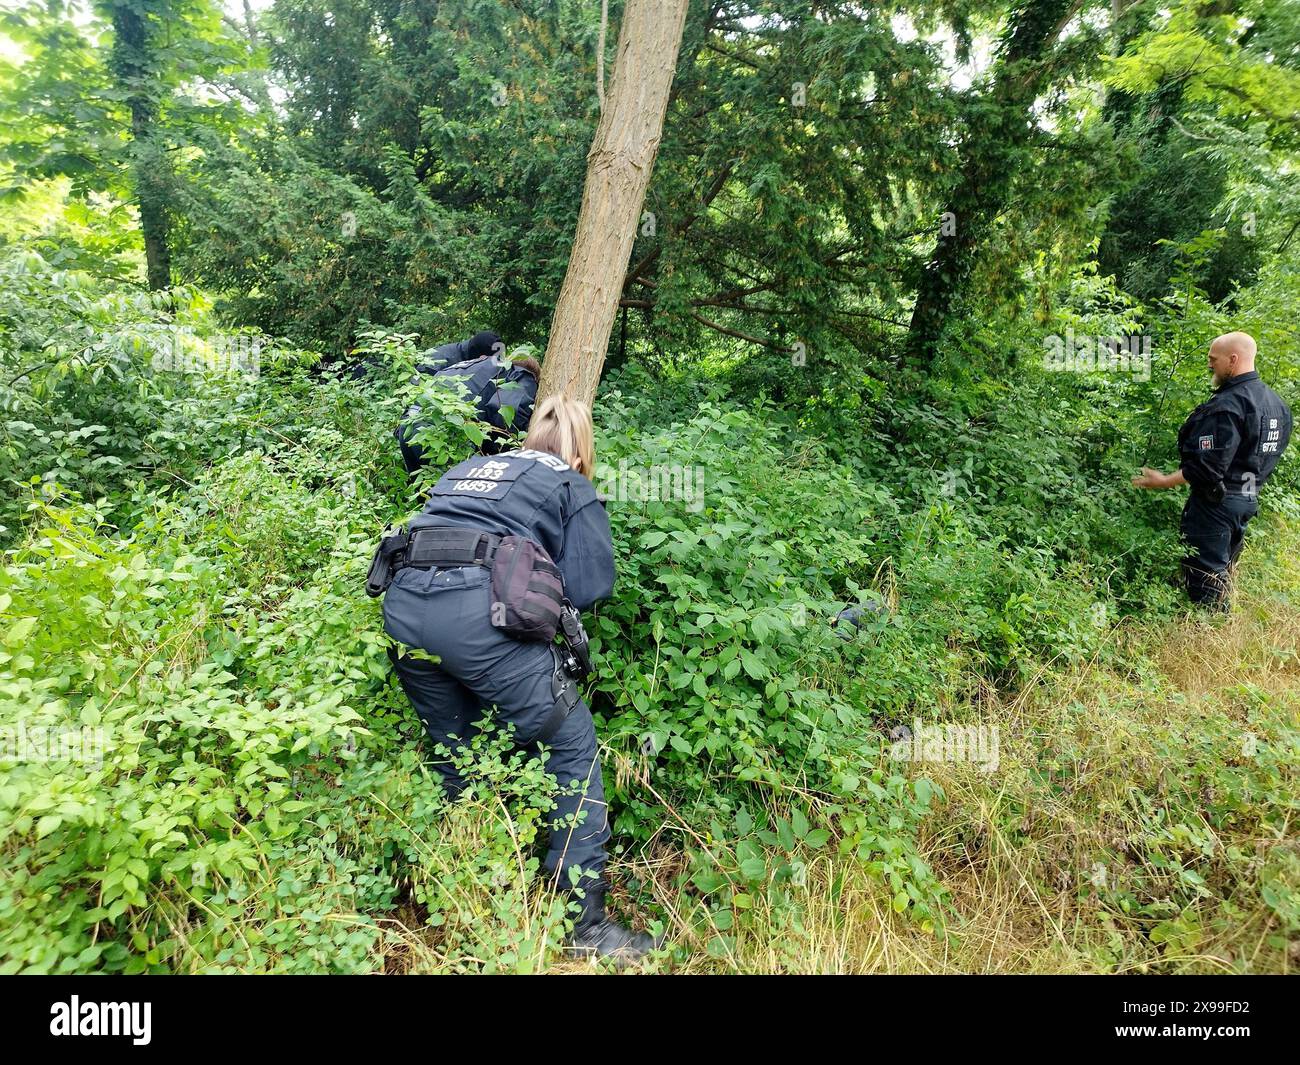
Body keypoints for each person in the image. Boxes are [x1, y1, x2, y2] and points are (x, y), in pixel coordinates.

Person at [381, 394, 657, 963]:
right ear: (582, 450)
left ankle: (462, 889)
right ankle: (584, 925)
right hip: (477, 621)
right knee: (571, 745)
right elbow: (588, 586)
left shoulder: (474, 468)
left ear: (529, 436)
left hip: (403, 613)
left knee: (455, 746)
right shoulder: (569, 484)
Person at [1132, 331, 1292, 607]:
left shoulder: (1229, 405)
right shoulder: (1276, 404)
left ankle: (1212, 635)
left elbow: (1208, 468)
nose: (1209, 365)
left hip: (1217, 505)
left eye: (1213, 359)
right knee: (1223, 572)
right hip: (1247, 499)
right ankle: (1218, 631)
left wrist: (1164, 481)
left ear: (1233, 359)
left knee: (1206, 582)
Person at [397, 347, 541, 475]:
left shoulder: (479, 364)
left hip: (409, 425)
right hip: (439, 432)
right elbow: (505, 415)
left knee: (430, 499)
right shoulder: (522, 374)